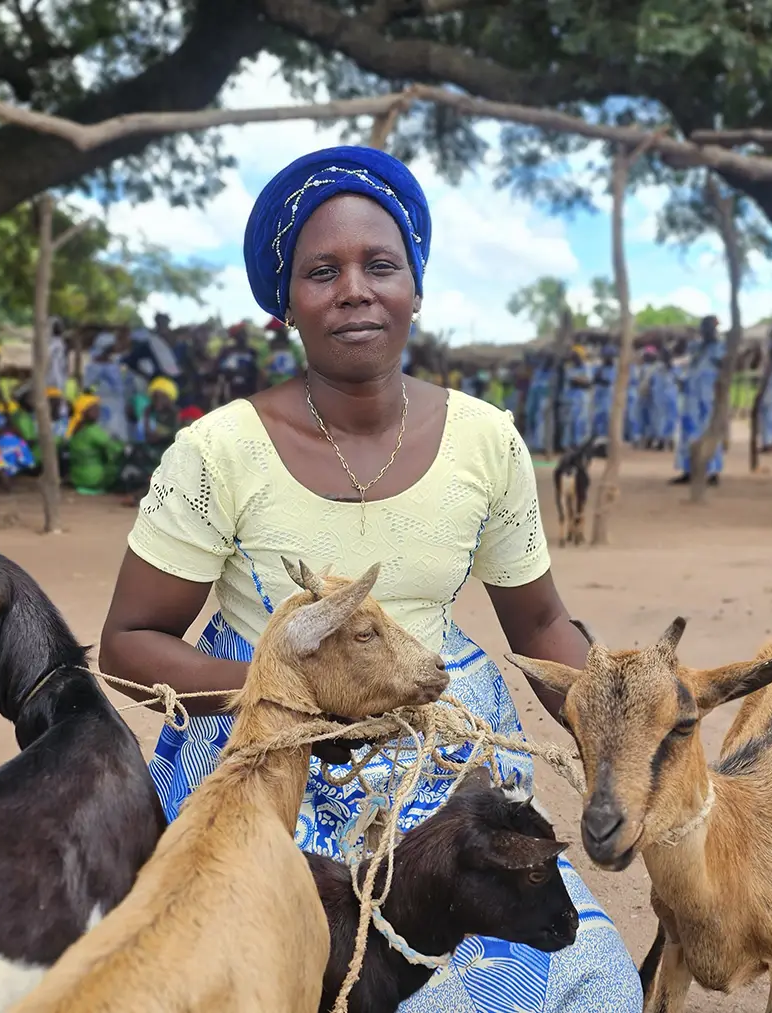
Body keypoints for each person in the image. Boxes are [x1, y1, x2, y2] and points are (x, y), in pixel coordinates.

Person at [98, 145, 640, 1012]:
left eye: (380, 264)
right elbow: (128, 646)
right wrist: (302, 695)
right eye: (322, 271)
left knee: (596, 990)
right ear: (286, 305)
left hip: (436, 739)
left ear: (415, 288)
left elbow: (540, 623)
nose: (354, 288)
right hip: (267, 754)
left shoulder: (485, 441)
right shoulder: (219, 451)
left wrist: (618, 720)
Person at [673, 316, 726, 484]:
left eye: (711, 328)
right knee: (688, 433)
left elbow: (724, 369)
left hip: (709, 397)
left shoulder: (720, 348)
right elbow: (685, 360)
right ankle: (689, 470)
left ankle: (712, 472)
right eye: (705, 328)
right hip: (691, 396)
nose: (708, 331)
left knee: (709, 432)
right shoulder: (695, 347)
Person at [121, 376, 182, 506]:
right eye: (155, 397)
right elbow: (147, 435)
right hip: (152, 454)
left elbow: (170, 436)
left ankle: (139, 496)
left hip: (168, 455)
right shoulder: (149, 412)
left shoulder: (175, 415)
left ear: (170, 398)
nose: (157, 400)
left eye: (162, 397)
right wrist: (148, 414)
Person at [67, 392, 123, 495]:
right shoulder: (92, 431)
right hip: (93, 480)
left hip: (77, 479)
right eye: (94, 409)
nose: (98, 412)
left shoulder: (74, 429)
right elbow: (116, 449)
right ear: (84, 412)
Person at [0, 382, 36, 475]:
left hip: (6, 438)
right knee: (9, 443)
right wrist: (3, 430)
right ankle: (6, 472)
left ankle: (20, 468)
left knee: (17, 441)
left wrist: (6, 413)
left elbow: (10, 425)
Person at [215, 324, 263, 403]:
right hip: (231, 390)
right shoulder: (227, 351)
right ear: (234, 337)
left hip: (250, 390)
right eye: (240, 334)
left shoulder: (252, 352)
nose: (243, 337)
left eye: (244, 334)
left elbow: (258, 372)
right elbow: (218, 370)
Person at [558, 345, 592, 451]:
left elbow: (587, 382)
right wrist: (579, 380)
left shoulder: (586, 367)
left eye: (577, 356)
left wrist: (579, 380)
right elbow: (574, 380)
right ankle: (567, 445)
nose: (575, 358)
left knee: (581, 421)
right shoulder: (569, 368)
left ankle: (580, 444)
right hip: (570, 399)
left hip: (582, 398)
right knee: (568, 422)